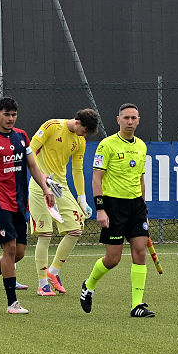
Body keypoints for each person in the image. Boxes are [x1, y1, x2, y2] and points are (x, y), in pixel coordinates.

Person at [0, 96, 59, 315]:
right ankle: (12, 303)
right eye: (6, 114)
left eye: (13, 115)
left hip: (19, 201)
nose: (10, 118)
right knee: (10, 249)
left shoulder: (22, 136)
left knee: (19, 253)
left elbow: (33, 167)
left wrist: (46, 189)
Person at [80, 103, 156, 318]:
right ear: (118, 120)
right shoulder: (106, 145)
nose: (130, 122)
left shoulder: (141, 145)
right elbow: (97, 179)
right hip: (113, 207)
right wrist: (100, 210)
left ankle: (137, 305)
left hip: (136, 207)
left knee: (140, 251)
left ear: (138, 120)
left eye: (133, 118)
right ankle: (89, 285)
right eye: (126, 118)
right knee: (113, 259)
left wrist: (144, 210)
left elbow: (140, 179)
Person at [27, 108, 98, 296]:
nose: (84, 135)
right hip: (39, 185)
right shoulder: (51, 126)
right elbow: (30, 150)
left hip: (60, 187)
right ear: (77, 122)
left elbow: (77, 169)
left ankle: (53, 272)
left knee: (76, 229)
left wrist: (82, 199)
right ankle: (42, 284)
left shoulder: (80, 141)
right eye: (84, 131)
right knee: (45, 234)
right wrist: (41, 176)